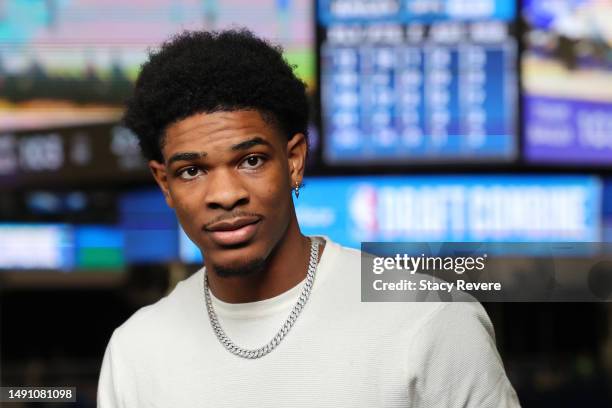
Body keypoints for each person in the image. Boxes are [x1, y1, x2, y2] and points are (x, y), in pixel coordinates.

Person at [97, 29, 521, 407]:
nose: (225, 195)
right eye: (192, 171)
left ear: (294, 160)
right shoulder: (136, 351)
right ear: (165, 184)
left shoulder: (428, 319)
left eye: (251, 160)